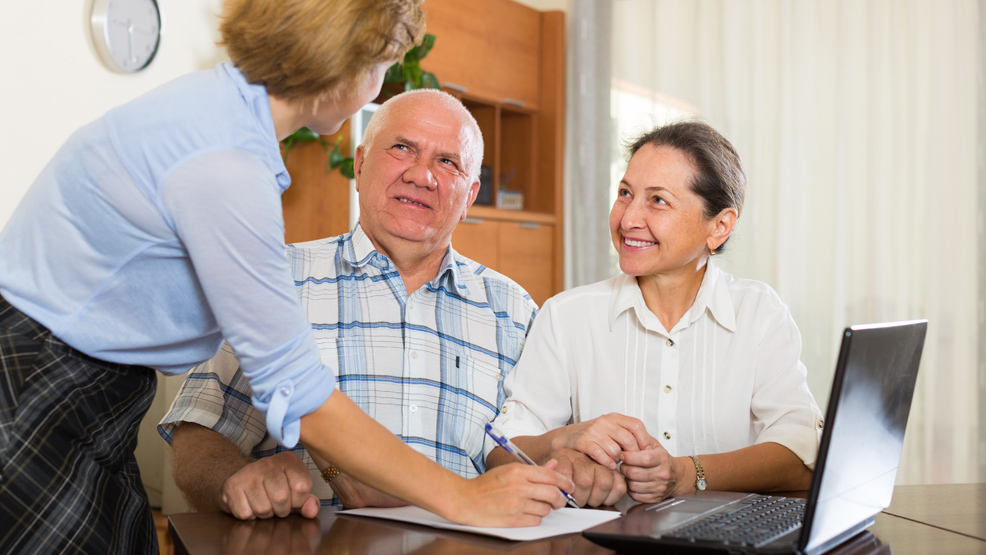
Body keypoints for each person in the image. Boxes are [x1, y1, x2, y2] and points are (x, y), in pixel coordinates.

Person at [0, 1, 570, 552]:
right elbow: (297, 390)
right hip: (40, 393)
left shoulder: (218, 119)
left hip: (92, 397)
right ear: (348, 65)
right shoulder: (225, 161)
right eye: (382, 67)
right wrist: (462, 498)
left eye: (446, 161)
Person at [159, 89, 540, 519]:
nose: (421, 175)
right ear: (360, 165)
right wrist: (235, 481)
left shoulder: (514, 310)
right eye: (402, 148)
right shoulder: (277, 277)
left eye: (447, 161)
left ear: (470, 196)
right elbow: (200, 429)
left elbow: (526, 452)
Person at [486, 121, 823, 510]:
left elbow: (801, 456)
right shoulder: (566, 316)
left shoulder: (759, 313)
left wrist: (686, 474)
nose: (628, 219)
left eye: (657, 200)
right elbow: (501, 450)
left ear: (720, 226)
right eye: (625, 193)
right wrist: (564, 450)